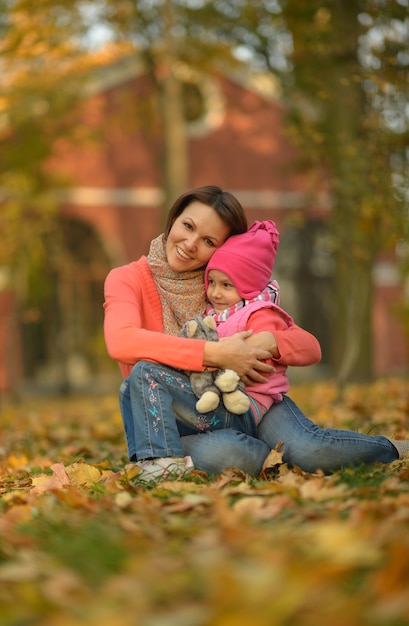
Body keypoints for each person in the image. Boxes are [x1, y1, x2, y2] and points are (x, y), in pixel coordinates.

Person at [104, 185, 408, 480]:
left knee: (309, 450)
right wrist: (218, 354)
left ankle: (393, 449)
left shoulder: (225, 285)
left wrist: (270, 341)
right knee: (226, 454)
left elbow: (307, 343)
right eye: (188, 226)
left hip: (252, 400)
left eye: (209, 241)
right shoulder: (126, 279)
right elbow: (122, 340)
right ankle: (269, 456)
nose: (191, 243)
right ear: (173, 220)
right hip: (182, 417)